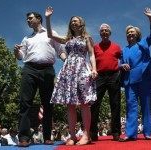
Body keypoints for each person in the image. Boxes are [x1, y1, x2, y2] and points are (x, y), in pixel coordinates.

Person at [45, 6, 98, 146]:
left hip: (82, 68)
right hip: (68, 69)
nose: (73, 22)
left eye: (76, 21)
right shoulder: (66, 38)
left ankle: (87, 134)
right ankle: (73, 136)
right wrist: (48, 18)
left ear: (81, 24)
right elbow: (50, 35)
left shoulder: (87, 38)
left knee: (84, 103)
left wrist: (94, 69)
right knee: (70, 104)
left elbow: (92, 54)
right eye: (72, 21)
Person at [14, 11, 66, 147]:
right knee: (25, 103)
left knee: (48, 104)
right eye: (27, 19)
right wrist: (16, 51)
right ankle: (24, 138)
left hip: (47, 70)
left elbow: (60, 50)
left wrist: (66, 62)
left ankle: (48, 136)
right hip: (29, 69)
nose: (28, 21)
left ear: (38, 19)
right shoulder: (26, 38)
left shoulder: (50, 32)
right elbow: (20, 56)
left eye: (30, 18)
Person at [119, 7, 151, 142]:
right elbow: (120, 63)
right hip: (130, 81)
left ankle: (147, 133)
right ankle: (130, 134)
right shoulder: (123, 50)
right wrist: (121, 65)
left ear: (137, 34)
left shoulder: (143, 43)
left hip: (145, 78)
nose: (130, 34)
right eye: (128, 33)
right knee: (131, 106)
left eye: (132, 32)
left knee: (146, 106)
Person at [90, 23, 121, 141]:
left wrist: (122, 65)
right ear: (100, 33)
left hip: (114, 75)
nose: (104, 32)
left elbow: (122, 58)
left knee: (115, 104)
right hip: (99, 76)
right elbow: (91, 61)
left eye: (106, 30)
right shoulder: (95, 47)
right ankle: (93, 133)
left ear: (110, 33)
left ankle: (116, 132)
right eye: (102, 31)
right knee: (94, 104)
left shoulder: (117, 47)